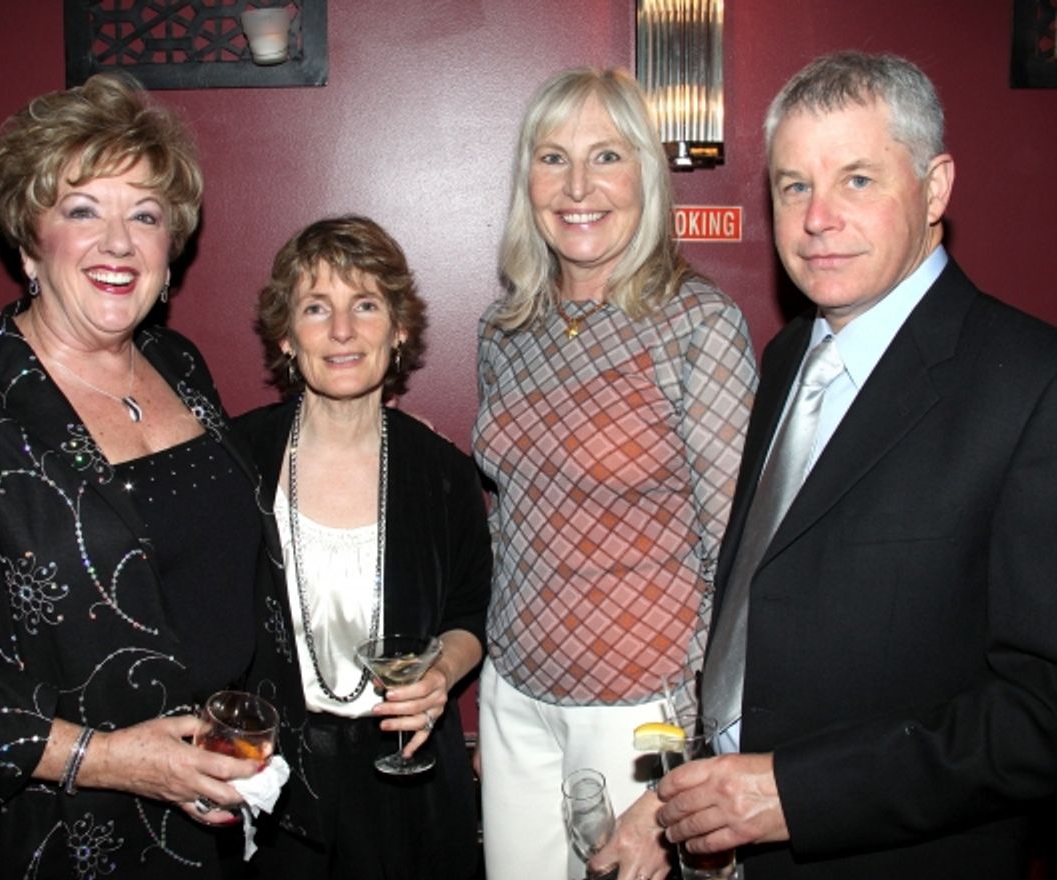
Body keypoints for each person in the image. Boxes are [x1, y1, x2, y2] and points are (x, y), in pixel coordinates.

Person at [598, 51, 1057, 880]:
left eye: (857, 179)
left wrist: (794, 794)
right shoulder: (784, 359)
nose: (816, 219)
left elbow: (1041, 716)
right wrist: (686, 795)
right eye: (793, 185)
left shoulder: (1031, 385)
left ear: (936, 188)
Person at [0, 75, 274, 878]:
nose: (118, 244)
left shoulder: (176, 364)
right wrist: (111, 759)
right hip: (48, 835)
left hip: (203, 817)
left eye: (145, 216)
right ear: (27, 246)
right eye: (83, 210)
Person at [471, 67, 758, 880]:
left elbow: (734, 555)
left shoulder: (697, 325)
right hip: (516, 694)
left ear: (646, 175)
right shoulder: (505, 328)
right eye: (553, 158)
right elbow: (511, 517)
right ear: (527, 178)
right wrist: (499, 702)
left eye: (606, 157)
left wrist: (685, 755)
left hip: (643, 711)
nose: (577, 186)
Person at [234, 215, 491, 879]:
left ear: (398, 328)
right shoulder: (234, 461)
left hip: (408, 787)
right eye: (317, 308)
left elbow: (471, 613)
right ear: (287, 335)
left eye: (366, 305)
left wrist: (437, 674)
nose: (342, 331)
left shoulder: (443, 472)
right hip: (266, 788)